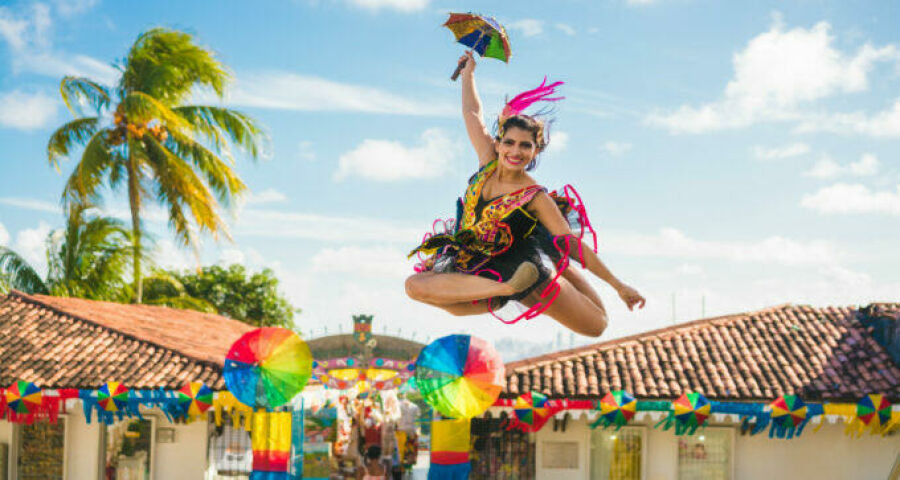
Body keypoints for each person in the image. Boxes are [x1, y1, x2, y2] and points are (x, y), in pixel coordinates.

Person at [406, 50, 645, 335]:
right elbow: (472, 113)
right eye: (509, 143)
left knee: (597, 326)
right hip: (478, 269)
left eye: (525, 146)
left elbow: (572, 243)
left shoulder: (534, 196)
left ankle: (552, 270)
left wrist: (618, 285)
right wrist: (468, 73)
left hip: (524, 270)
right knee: (415, 287)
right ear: (498, 143)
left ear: (536, 151)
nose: (515, 151)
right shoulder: (487, 162)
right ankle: (507, 288)